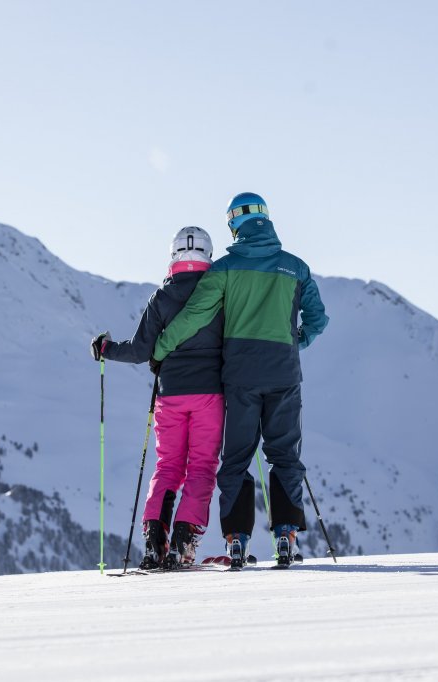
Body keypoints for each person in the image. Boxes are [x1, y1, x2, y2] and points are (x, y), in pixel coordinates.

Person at [151, 192, 328, 568]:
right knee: (284, 456)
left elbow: (195, 315)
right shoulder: (296, 268)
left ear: (234, 224)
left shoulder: (224, 269)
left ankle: (236, 539)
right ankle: (285, 534)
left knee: (236, 459)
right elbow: (318, 319)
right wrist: (299, 340)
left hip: (240, 378)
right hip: (283, 373)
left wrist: (161, 348)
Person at [90, 226, 224, 569]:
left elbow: (139, 351)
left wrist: (105, 348)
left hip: (170, 395)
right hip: (210, 393)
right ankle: (185, 537)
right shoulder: (220, 293)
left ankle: (155, 537)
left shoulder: (161, 297)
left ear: (173, 255)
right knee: (202, 466)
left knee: (168, 466)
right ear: (208, 255)